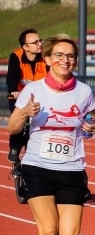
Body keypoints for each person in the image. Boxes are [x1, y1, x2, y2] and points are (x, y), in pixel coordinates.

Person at [7, 33, 95, 235]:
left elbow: (93, 121)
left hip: (71, 168)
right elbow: (13, 127)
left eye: (70, 56)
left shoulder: (84, 91)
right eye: (58, 55)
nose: (65, 60)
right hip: (37, 166)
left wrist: (94, 125)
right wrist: (25, 112)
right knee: (48, 230)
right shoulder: (32, 89)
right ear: (47, 59)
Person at [6, 29, 48, 164]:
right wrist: (13, 90)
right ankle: (14, 148)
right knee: (20, 121)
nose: (39, 44)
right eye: (35, 42)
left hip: (40, 98)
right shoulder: (16, 56)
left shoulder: (45, 58)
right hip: (20, 97)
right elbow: (12, 76)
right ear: (25, 47)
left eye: (40, 40)